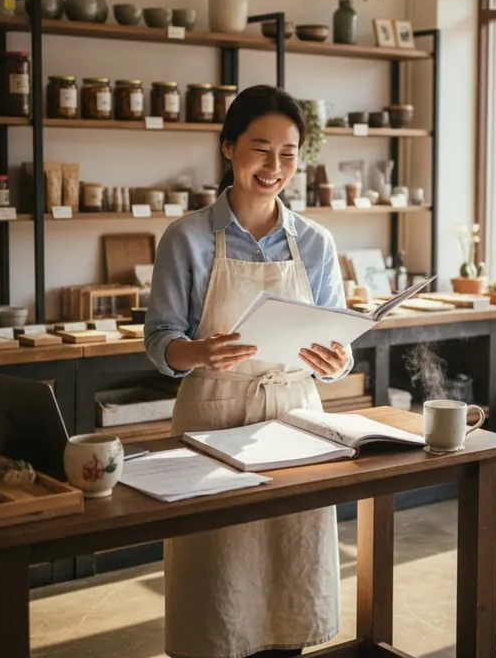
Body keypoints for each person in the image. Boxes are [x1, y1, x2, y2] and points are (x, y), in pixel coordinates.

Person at [144, 84, 353, 658]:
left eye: (288, 154)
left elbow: (336, 338)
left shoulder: (315, 242)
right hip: (212, 418)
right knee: (216, 592)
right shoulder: (186, 238)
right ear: (228, 148)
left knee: (292, 580)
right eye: (261, 150)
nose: (274, 167)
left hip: (296, 421)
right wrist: (200, 353)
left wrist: (338, 361)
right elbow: (159, 342)